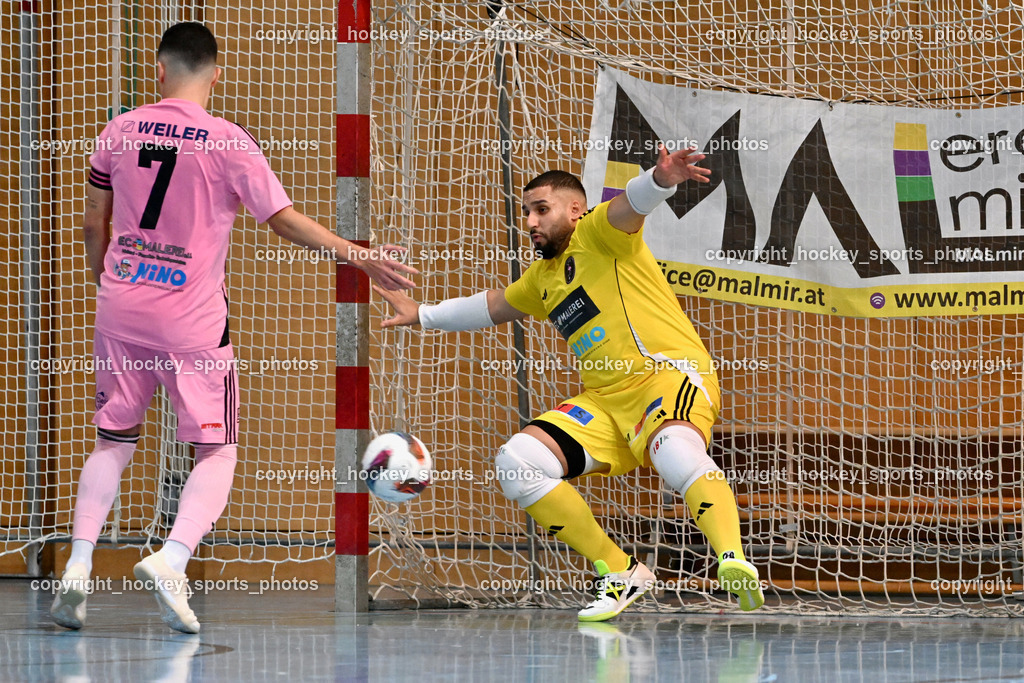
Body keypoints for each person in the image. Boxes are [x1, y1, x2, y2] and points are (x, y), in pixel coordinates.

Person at [50, 22, 416, 633]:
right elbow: (283, 220)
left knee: (113, 440)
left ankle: (79, 566)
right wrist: (356, 253)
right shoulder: (227, 142)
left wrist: (105, 283)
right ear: (216, 73)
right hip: (190, 319)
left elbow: (94, 224)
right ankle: (172, 558)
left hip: (119, 306)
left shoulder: (118, 129)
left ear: (158, 69)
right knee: (217, 449)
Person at [375, 145, 764, 621]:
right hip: (605, 403)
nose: (532, 222)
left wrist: (660, 179)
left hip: (666, 376)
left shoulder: (600, 234)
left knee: (677, 452)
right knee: (518, 462)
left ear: (576, 211)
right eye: (527, 213)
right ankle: (620, 571)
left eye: (542, 209)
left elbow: (630, 205)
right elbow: (493, 305)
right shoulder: (541, 279)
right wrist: (422, 314)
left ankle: (732, 559)